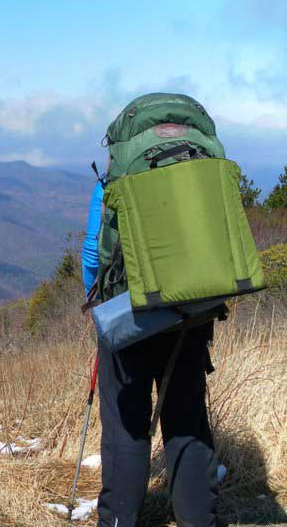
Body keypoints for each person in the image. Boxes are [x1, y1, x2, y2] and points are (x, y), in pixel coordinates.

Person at [82, 174, 219, 527]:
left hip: (127, 315)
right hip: (188, 311)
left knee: (125, 424)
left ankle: (118, 520)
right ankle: (198, 519)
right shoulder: (192, 163)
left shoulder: (117, 170)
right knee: (186, 419)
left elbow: (91, 249)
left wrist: (97, 303)